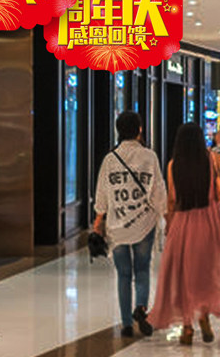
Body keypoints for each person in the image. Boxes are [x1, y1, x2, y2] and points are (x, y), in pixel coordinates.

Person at [93, 112, 166, 339]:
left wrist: (98, 221)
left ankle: (126, 324)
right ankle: (141, 307)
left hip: (117, 226)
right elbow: (158, 191)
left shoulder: (110, 159)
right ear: (139, 129)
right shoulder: (149, 156)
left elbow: (102, 194)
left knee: (123, 274)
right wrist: (166, 214)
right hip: (144, 223)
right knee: (142, 269)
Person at [149, 123, 220, 344]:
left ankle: (187, 328)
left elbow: (172, 199)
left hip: (182, 223)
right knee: (206, 273)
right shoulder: (212, 159)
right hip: (208, 221)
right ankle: (204, 318)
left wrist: (170, 226)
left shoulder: (173, 165)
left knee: (184, 277)